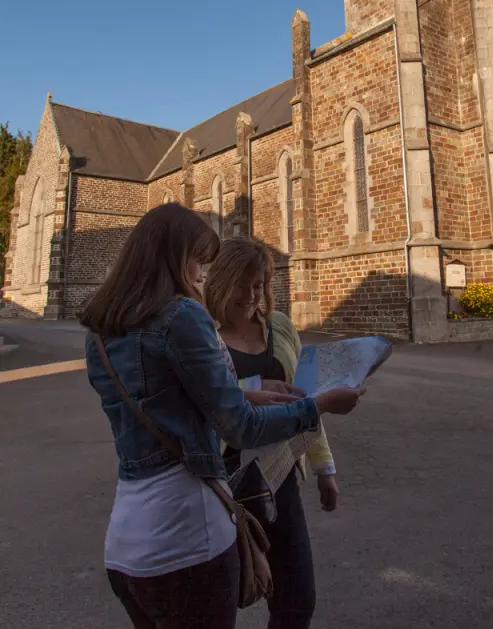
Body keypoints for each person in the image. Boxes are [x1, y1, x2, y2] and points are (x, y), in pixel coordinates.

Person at [82, 203, 363, 629]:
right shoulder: (184, 315)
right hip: (188, 535)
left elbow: (162, 400)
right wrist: (319, 405)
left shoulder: (100, 332)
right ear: (175, 258)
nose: (201, 274)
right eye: (198, 261)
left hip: (126, 545)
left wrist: (246, 393)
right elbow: (240, 428)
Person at [204, 236, 337, 629]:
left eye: (258, 285)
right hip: (223, 481)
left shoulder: (279, 327)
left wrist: (325, 467)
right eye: (241, 285)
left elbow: (305, 399)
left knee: (297, 599)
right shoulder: (202, 335)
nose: (250, 296)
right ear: (219, 283)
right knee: (219, 602)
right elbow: (201, 401)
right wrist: (252, 390)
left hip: (279, 477)